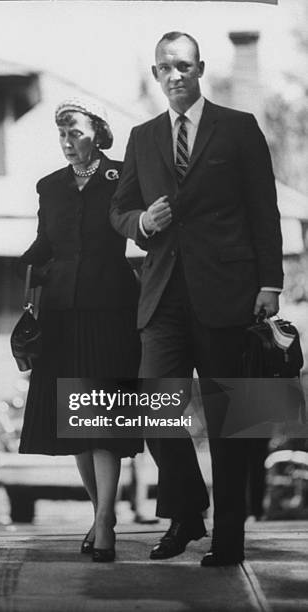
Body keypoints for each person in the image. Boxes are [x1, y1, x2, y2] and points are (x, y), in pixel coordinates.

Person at [110, 31, 283, 566]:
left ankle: (229, 538)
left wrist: (269, 283)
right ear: (156, 73)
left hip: (230, 296)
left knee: (234, 420)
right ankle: (188, 510)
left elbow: (263, 209)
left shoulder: (238, 128)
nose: (175, 74)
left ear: (200, 68)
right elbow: (119, 210)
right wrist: (142, 221)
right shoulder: (142, 137)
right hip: (163, 296)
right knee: (152, 409)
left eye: (184, 65)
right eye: (165, 67)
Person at [18, 99, 142, 562]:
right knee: (77, 423)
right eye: (62, 135)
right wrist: (27, 267)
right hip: (60, 313)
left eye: (76, 133)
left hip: (111, 308)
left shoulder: (121, 175)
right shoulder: (48, 186)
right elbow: (45, 242)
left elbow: (138, 228)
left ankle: (107, 522)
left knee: (102, 417)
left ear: (99, 132)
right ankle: (100, 515)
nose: (69, 142)